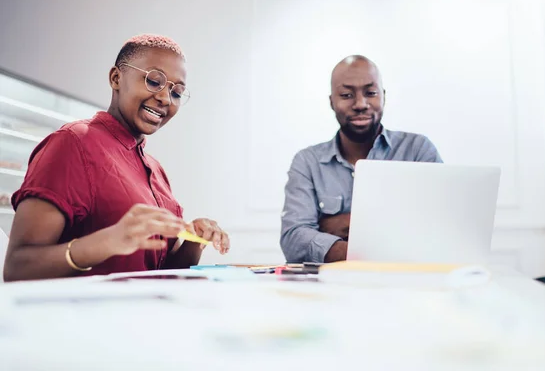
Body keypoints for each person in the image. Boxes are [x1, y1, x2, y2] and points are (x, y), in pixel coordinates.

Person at [4, 34, 230, 281]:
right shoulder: (72, 143)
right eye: (154, 81)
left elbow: (161, 272)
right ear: (116, 78)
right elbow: (18, 267)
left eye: (176, 93)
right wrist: (107, 242)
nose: (166, 98)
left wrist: (195, 241)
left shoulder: (155, 170)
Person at [280, 55, 442, 263]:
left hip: (405, 287)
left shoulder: (418, 151)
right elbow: (293, 240)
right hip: (330, 290)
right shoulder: (307, 162)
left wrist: (346, 226)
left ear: (383, 96)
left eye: (371, 93)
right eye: (347, 95)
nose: (360, 104)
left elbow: (437, 230)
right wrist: (386, 242)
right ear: (331, 101)